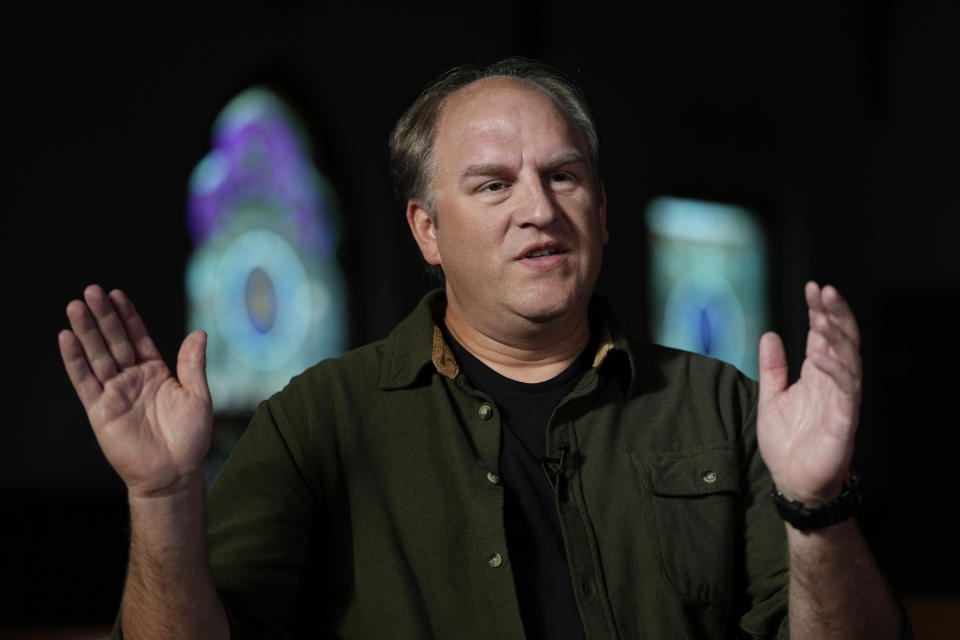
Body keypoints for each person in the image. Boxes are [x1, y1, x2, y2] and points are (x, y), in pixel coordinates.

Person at [59, 58, 909, 639]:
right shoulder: (318, 420)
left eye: (563, 176)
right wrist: (163, 495)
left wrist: (818, 506)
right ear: (426, 231)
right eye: (493, 185)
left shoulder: (721, 408)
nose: (537, 208)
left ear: (603, 213)